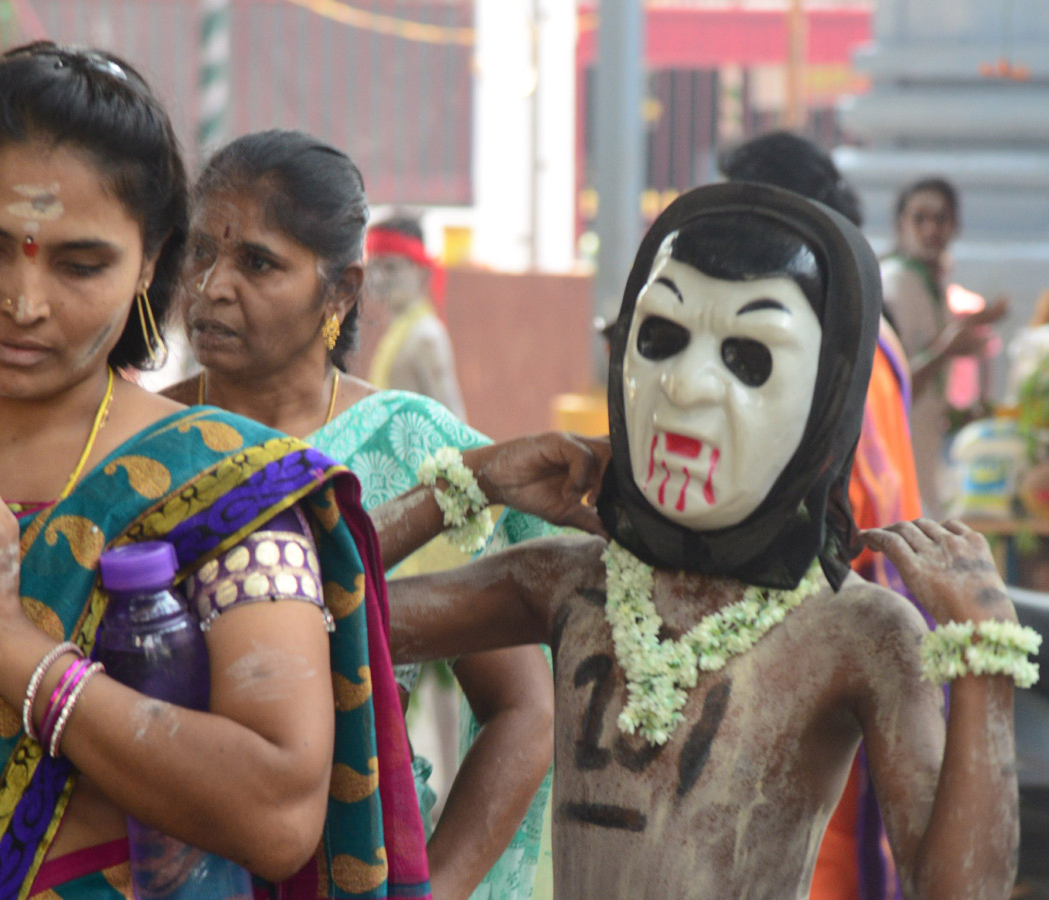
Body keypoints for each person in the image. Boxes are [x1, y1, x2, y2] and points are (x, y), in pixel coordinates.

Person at [0, 43, 429, 900]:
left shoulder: (225, 488)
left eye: (81, 264)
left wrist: (7, 643)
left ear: (152, 262)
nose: (23, 301)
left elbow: (276, 811)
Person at [385, 182, 1031, 899]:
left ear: (827, 396)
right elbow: (314, 619)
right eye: (661, 339)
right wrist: (475, 480)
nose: (687, 386)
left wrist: (984, 663)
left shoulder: (858, 633)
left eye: (749, 357)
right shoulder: (566, 582)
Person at [161, 129, 557, 900]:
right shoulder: (140, 442)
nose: (210, 287)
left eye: (257, 262)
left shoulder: (407, 447)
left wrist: (432, 887)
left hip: (361, 860)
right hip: (166, 861)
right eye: (200, 253)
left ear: (340, 291)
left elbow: (521, 706)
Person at [719, 130, 922, 900]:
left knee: (821, 859)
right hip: (882, 613)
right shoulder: (872, 322)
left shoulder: (815, 337)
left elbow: (837, 506)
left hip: (830, 630)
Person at [881, 176, 1008, 518]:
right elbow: (892, 384)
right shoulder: (896, 282)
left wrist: (955, 416)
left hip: (921, 454)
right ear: (900, 225)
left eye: (941, 219)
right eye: (919, 218)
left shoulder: (927, 282)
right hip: (893, 456)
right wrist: (948, 349)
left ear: (955, 226)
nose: (931, 229)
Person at [364, 214, 468, 420]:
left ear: (421, 273)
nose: (380, 277)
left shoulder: (426, 336)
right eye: (374, 267)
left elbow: (453, 421)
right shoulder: (398, 333)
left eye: (391, 267)